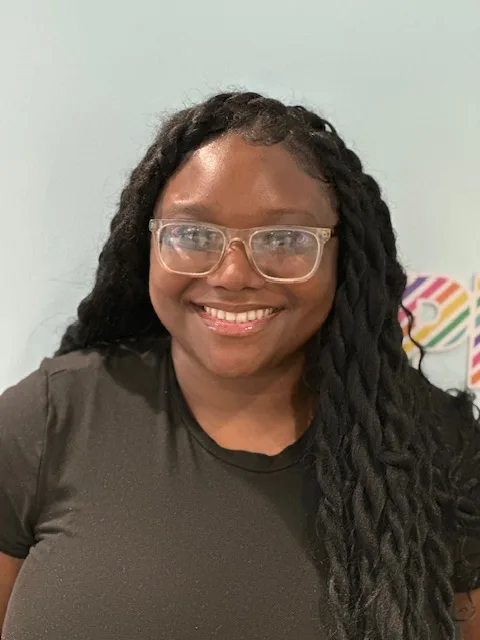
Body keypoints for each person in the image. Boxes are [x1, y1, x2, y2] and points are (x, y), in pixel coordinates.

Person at [0, 92, 479, 640]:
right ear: (147, 242)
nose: (232, 275)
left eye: (284, 239)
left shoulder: (439, 450)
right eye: (192, 234)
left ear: (342, 256)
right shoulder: (47, 421)